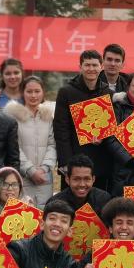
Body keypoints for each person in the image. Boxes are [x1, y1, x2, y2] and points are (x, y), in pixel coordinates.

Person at [53, 50, 113, 185]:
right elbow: (61, 130)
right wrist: (66, 162)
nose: (91, 69)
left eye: (94, 65)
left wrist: (104, 137)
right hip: (74, 159)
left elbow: (112, 128)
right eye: (87, 65)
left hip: (100, 161)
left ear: (101, 67)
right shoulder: (66, 92)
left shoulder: (108, 93)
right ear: (80, 67)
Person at [4, 75, 57, 207]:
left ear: (43, 92)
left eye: (37, 91)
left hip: (45, 177)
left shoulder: (48, 116)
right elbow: (14, 146)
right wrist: (31, 170)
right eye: (29, 91)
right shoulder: (13, 116)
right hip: (22, 176)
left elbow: (52, 144)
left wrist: (44, 168)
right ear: (23, 93)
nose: (33, 95)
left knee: (44, 212)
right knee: (23, 212)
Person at [0, 166, 35, 233]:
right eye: (4, 184)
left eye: (14, 184)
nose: (10, 189)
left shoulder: (28, 207)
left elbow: (35, 236)